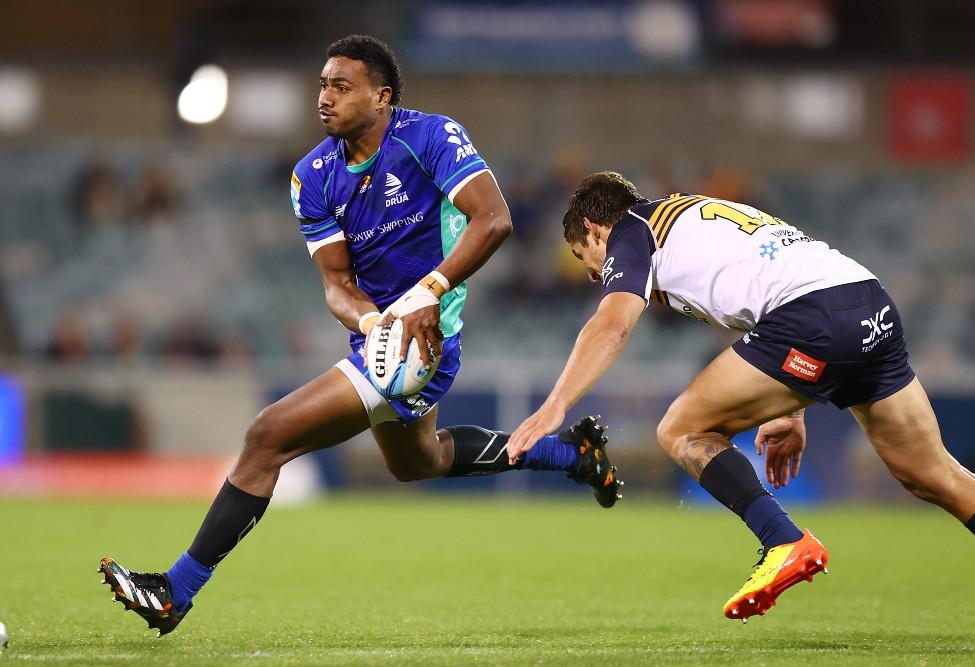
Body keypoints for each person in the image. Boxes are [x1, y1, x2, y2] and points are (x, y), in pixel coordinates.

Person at [99, 35, 622, 636]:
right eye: (322, 84)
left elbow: (494, 218)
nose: (325, 97)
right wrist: (373, 322)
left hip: (427, 342)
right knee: (418, 462)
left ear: (382, 96)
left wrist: (426, 296)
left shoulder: (429, 137)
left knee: (268, 435)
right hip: (384, 337)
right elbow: (336, 286)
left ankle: (176, 589)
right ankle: (573, 455)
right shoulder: (311, 177)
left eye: (341, 86)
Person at [507, 172, 975, 622]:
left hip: (814, 317)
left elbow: (612, 325)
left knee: (680, 428)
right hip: (867, 300)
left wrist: (557, 404)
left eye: (583, 257)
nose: (593, 274)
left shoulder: (631, 233)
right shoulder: (687, 213)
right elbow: (766, 286)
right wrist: (793, 407)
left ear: (594, 229)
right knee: (933, 474)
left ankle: (783, 540)